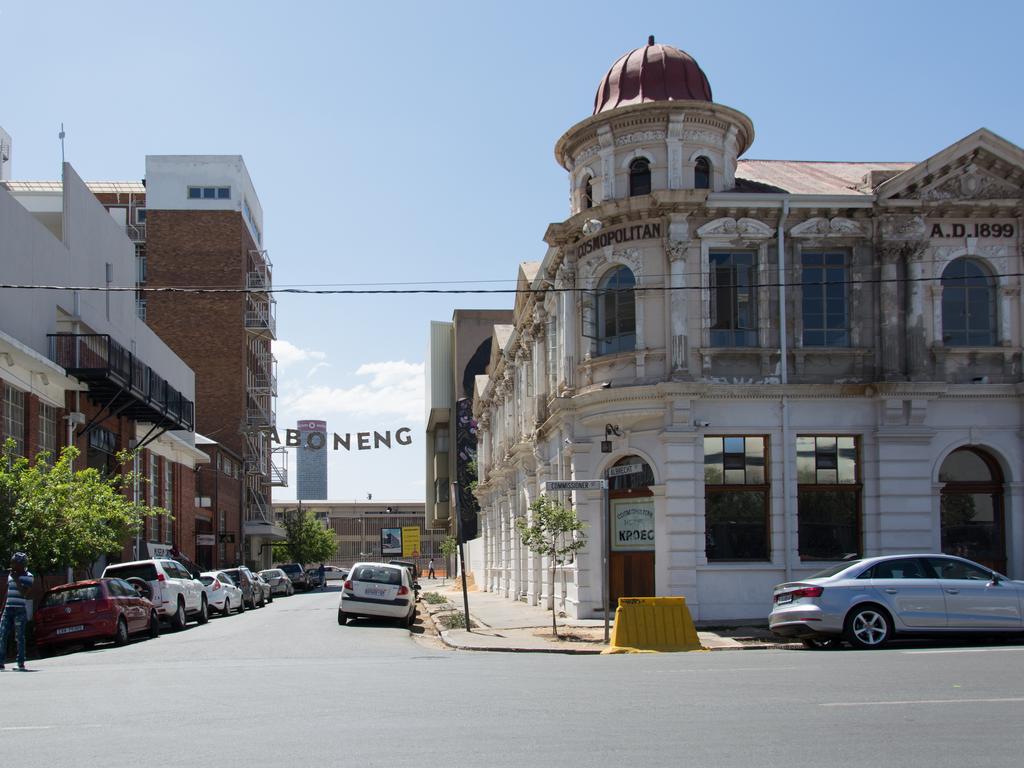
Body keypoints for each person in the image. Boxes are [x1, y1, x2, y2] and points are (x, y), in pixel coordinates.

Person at [0, 552, 34, 671]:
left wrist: (17, 579)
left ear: (21, 564)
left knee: (19, 637)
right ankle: (1, 662)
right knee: (2, 635)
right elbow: (8, 591)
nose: (12, 565)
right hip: (8, 609)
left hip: (19, 610)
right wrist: (3, 607)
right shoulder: (11, 575)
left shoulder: (28, 576)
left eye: (14, 563)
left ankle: (20, 663)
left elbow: (24, 593)